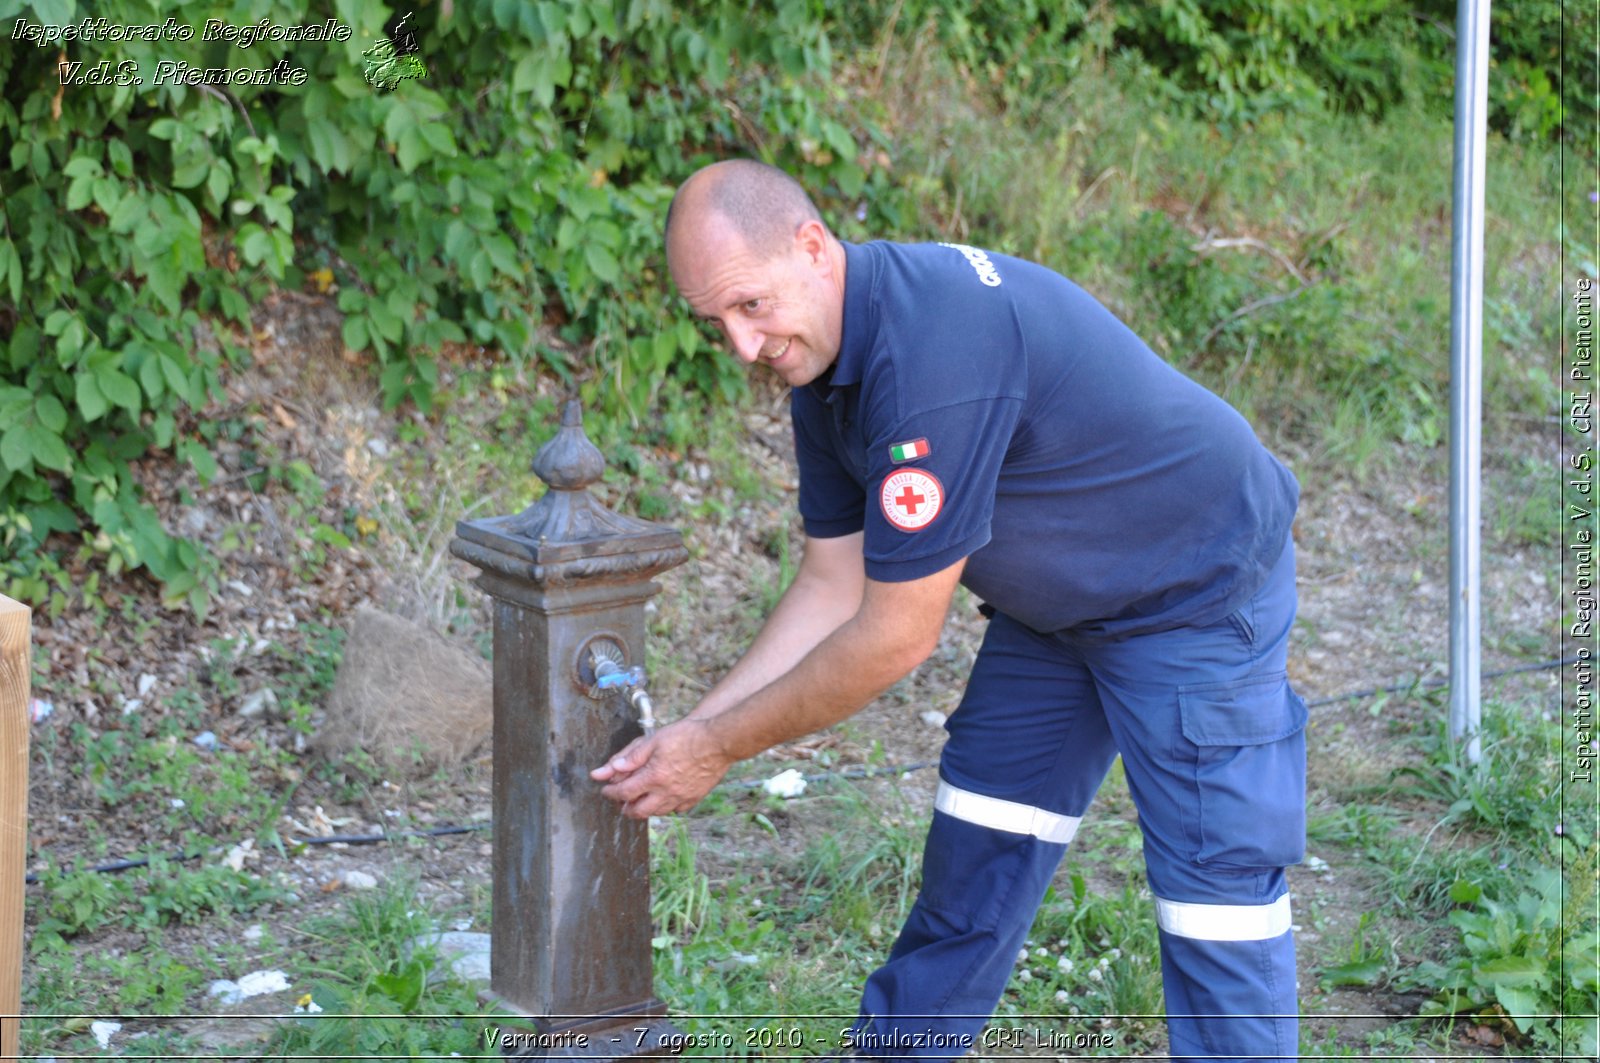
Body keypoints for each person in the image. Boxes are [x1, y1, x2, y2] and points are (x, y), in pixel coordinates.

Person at [591, 159, 1307, 1062]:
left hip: (1195, 591)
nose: (741, 346)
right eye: (717, 322)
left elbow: (895, 635)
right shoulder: (826, 366)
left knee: (1216, 904)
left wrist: (721, 749)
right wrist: (692, 730)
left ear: (812, 248)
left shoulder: (931, 357)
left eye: (750, 306)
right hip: (1059, 615)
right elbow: (831, 585)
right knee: (978, 858)